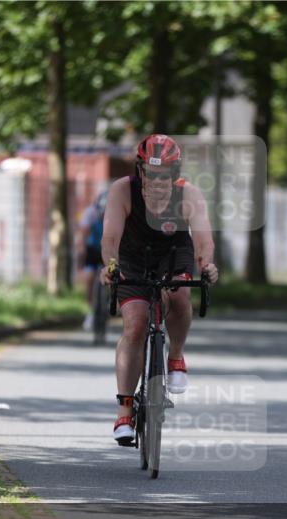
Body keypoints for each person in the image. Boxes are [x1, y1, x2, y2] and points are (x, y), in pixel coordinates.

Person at [100, 134, 219, 444]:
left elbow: (204, 239)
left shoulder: (188, 193)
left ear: (174, 173)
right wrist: (110, 266)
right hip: (133, 257)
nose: (155, 180)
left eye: (163, 174)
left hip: (173, 254)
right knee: (136, 325)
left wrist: (207, 265)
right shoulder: (122, 190)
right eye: (150, 173)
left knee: (179, 294)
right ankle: (125, 410)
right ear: (140, 170)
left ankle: (176, 356)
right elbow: (110, 238)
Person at [75, 191, 107, 330]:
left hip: (109, 249)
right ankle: (91, 311)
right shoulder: (90, 213)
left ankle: (110, 301)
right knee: (89, 278)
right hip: (93, 249)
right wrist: (80, 262)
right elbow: (82, 238)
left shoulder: (117, 212)